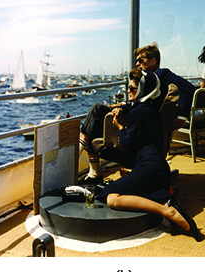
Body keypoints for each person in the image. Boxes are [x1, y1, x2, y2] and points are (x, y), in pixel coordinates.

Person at [96, 67, 201, 242]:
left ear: (143, 89)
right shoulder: (151, 109)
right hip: (158, 168)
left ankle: (168, 211)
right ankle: (166, 203)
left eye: (132, 88)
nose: (128, 91)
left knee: (112, 198)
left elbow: (128, 145)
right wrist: (124, 110)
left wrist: (121, 128)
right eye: (128, 88)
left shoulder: (138, 112)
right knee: (122, 189)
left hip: (149, 167)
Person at [78, 43, 195, 182]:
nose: (137, 63)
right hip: (136, 115)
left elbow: (187, 87)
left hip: (141, 123)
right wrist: (122, 106)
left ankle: (80, 161)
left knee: (97, 110)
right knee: (95, 120)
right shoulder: (144, 78)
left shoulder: (162, 74)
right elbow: (140, 101)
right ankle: (93, 171)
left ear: (153, 61)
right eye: (136, 60)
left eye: (141, 60)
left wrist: (182, 116)